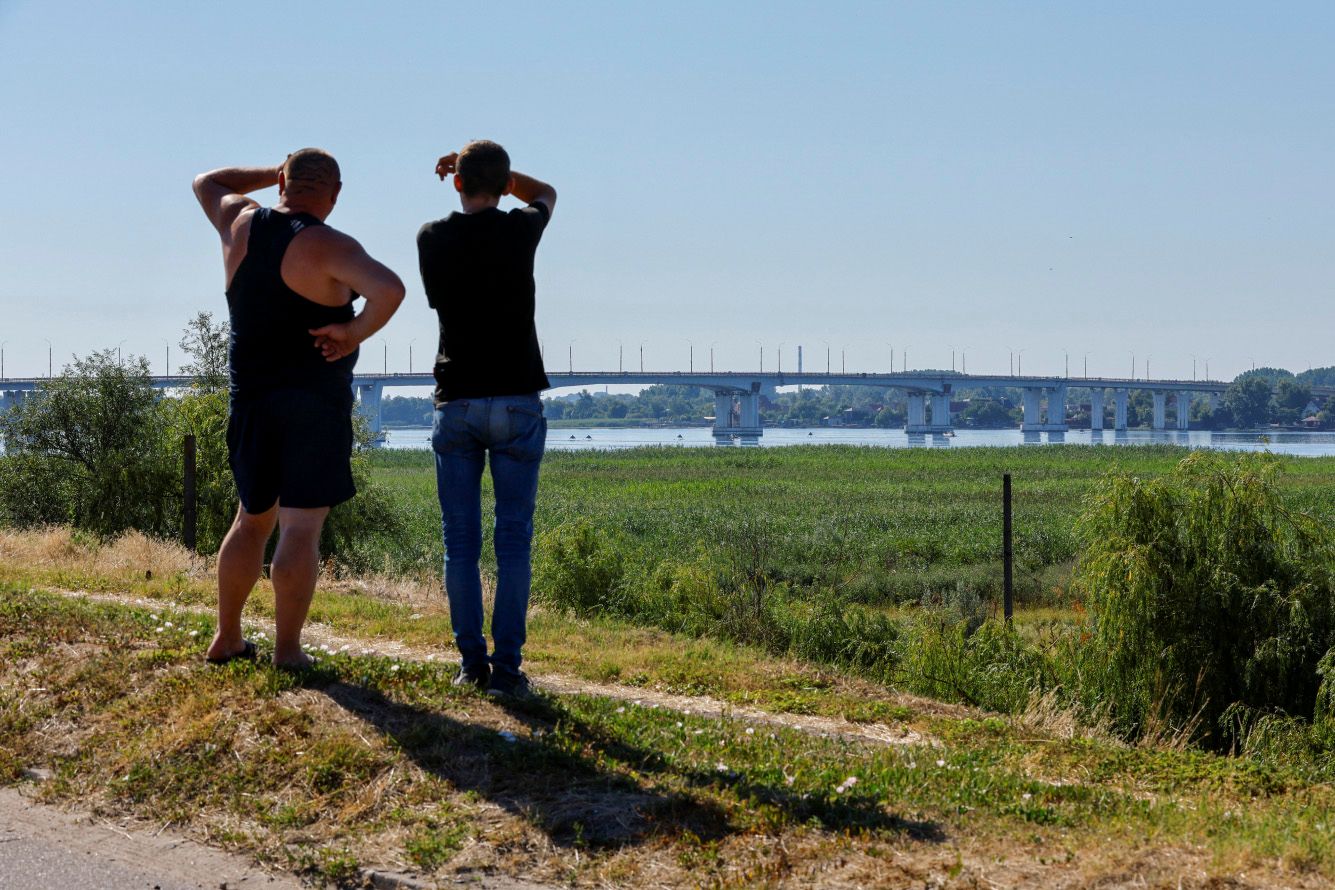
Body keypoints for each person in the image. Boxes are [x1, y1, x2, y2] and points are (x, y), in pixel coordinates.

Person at [193, 149, 405, 668]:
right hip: (314, 404)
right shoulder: (332, 245)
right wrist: (352, 333)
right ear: (335, 192)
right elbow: (390, 290)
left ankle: (227, 637)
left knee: (250, 521)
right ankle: (287, 650)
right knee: (301, 528)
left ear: (282, 182)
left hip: (251, 401)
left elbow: (206, 181)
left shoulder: (239, 222)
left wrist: (274, 172)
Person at [417, 140, 557, 696]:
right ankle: (509, 669)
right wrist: (501, 178)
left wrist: (470, 170)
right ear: (503, 186)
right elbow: (546, 193)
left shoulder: (432, 236)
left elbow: (437, 301)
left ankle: (471, 665)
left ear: (456, 182)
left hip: (457, 400)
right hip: (518, 398)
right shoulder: (521, 228)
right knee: (514, 540)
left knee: (460, 542)